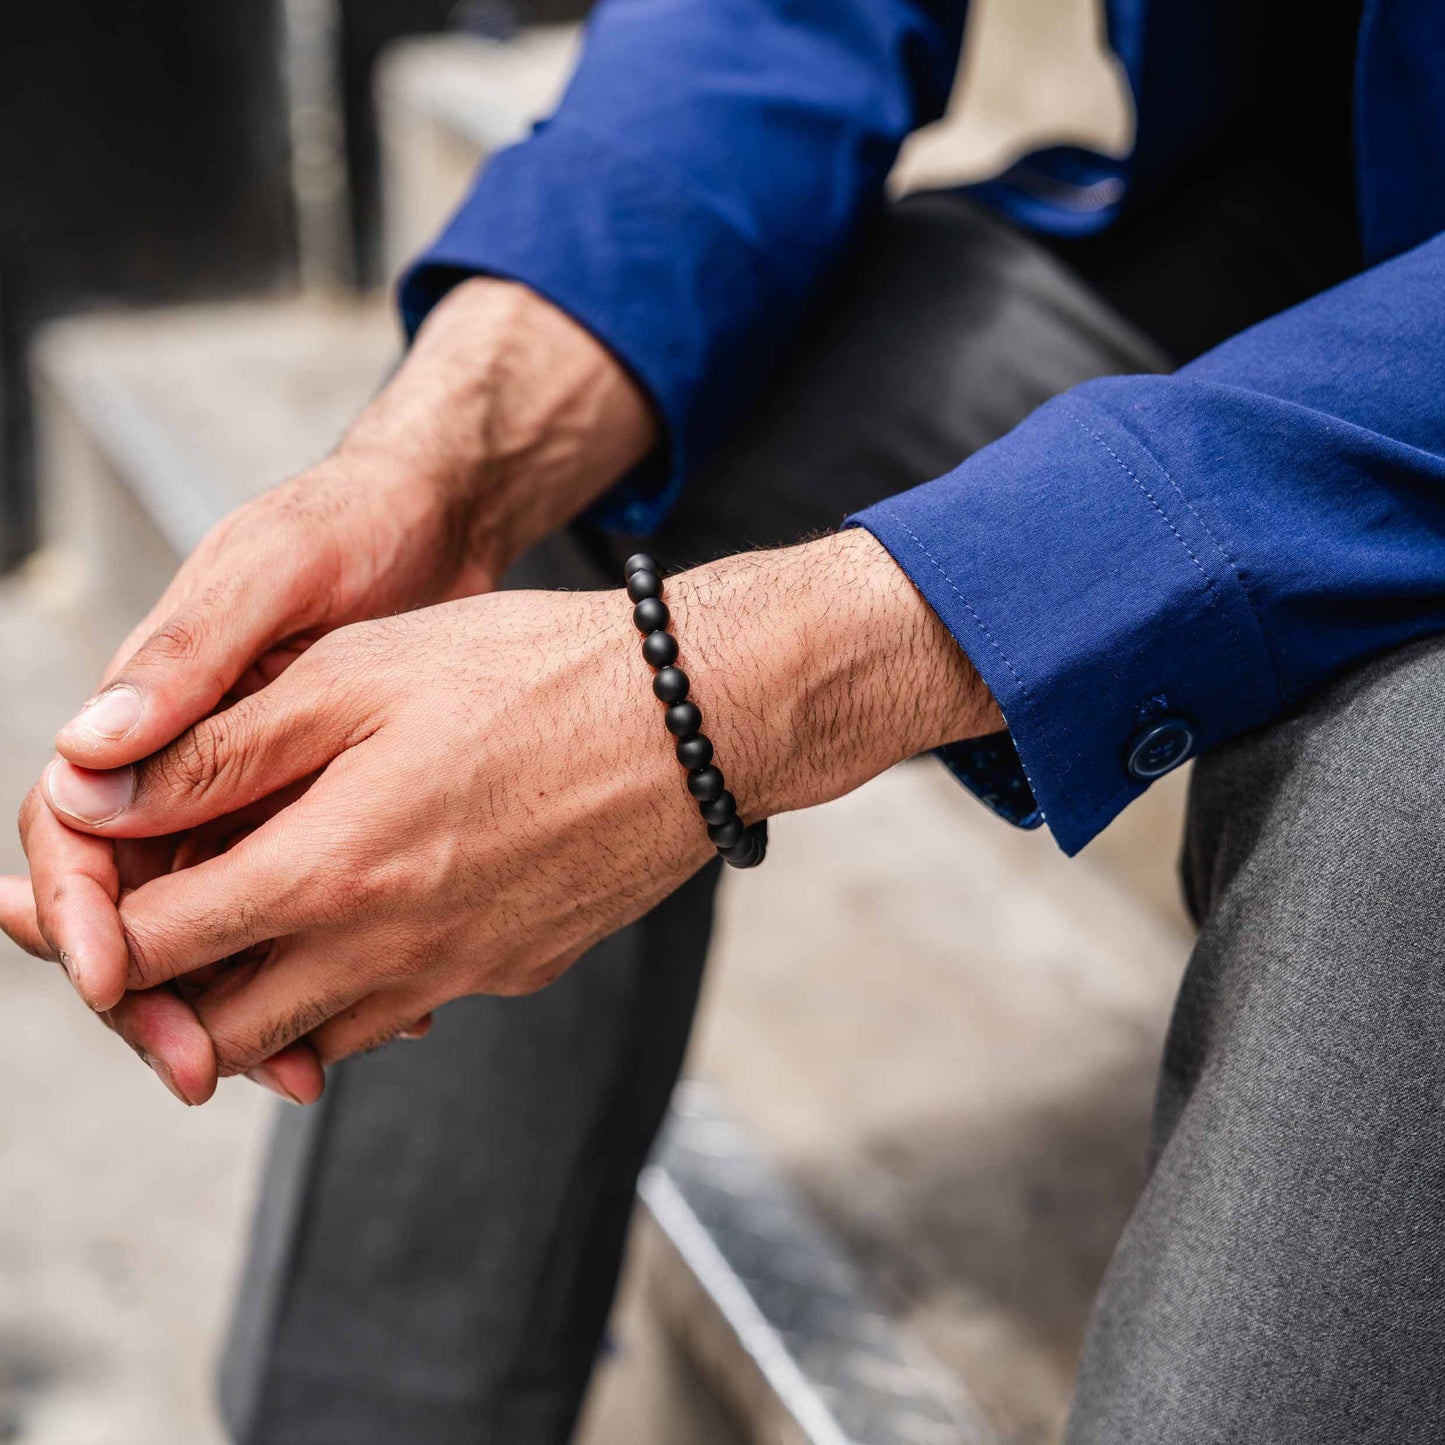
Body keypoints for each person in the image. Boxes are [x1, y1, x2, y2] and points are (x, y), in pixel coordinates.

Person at [4, 0, 1445, 1439]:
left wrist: (718, 695)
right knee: (563, 467)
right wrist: (445, 458)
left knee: (1403, 800)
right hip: (1294, 230)